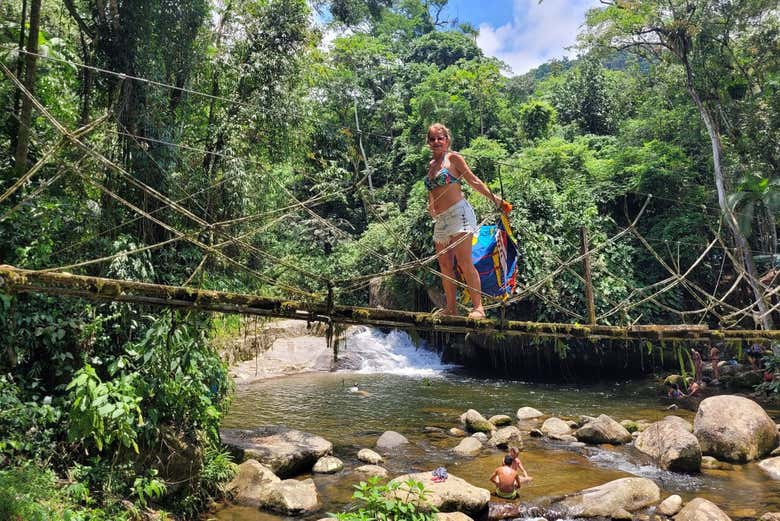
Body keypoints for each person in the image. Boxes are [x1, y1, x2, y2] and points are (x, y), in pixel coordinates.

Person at [425, 123, 510, 319]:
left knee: (464, 262)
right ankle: (451, 308)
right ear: (428, 143)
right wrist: (431, 206)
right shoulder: (431, 166)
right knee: (445, 265)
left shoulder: (453, 158)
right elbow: (431, 190)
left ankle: (478, 308)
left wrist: (497, 200)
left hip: (459, 214)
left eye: (440, 138)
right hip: (441, 220)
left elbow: (473, 180)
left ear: (447, 140)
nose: (436, 142)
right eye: (432, 139)